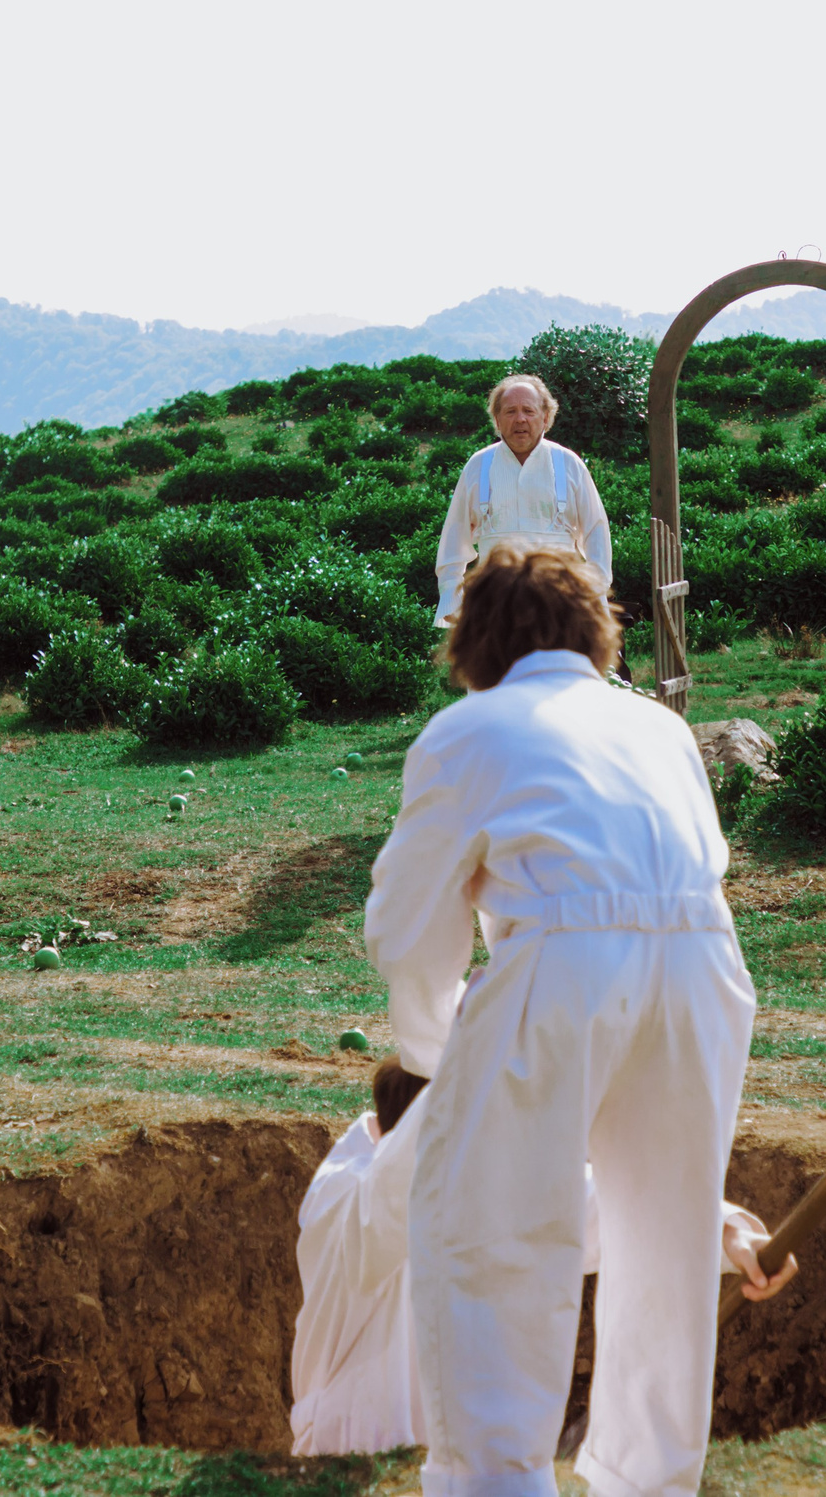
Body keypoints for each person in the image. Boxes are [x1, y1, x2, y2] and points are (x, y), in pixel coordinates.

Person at [364, 547, 783, 1497]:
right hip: (703, 966)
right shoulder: (658, 726)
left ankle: (498, 1480)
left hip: (561, 955)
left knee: (492, 1232)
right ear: (596, 631)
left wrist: (437, 1049)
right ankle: (650, 1480)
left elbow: (403, 922)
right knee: (665, 1237)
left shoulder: (467, 731)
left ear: (475, 640)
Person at [288, 1057, 781, 1458]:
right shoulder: (346, 1202)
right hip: (341, 1463)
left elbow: (611, 1205)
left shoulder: (485, 1184)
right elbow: (404, 1183)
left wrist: (729, 1235)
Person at [433, 374, 613, 627]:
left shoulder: (568, 463)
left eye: (529, 410)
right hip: (494, 608)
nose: (520, 419)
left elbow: (596, 531)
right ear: (496, 419)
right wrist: (453, 597)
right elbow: (454, 536)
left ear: (546, 417)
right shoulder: (478, 466)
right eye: (510, 411)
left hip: (561, 606)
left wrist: (594, 592)